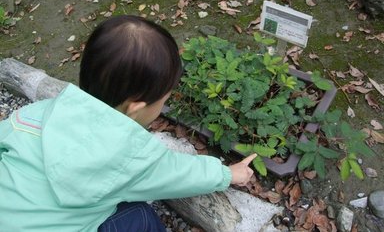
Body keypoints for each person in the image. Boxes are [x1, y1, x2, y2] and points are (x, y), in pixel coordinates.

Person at [0, 15, 257, 231]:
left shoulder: (36, 113)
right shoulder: (128, 157)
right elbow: (178, 172)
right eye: (163, 101)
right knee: (140, 215)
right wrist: (228, 174)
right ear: (135, 107)